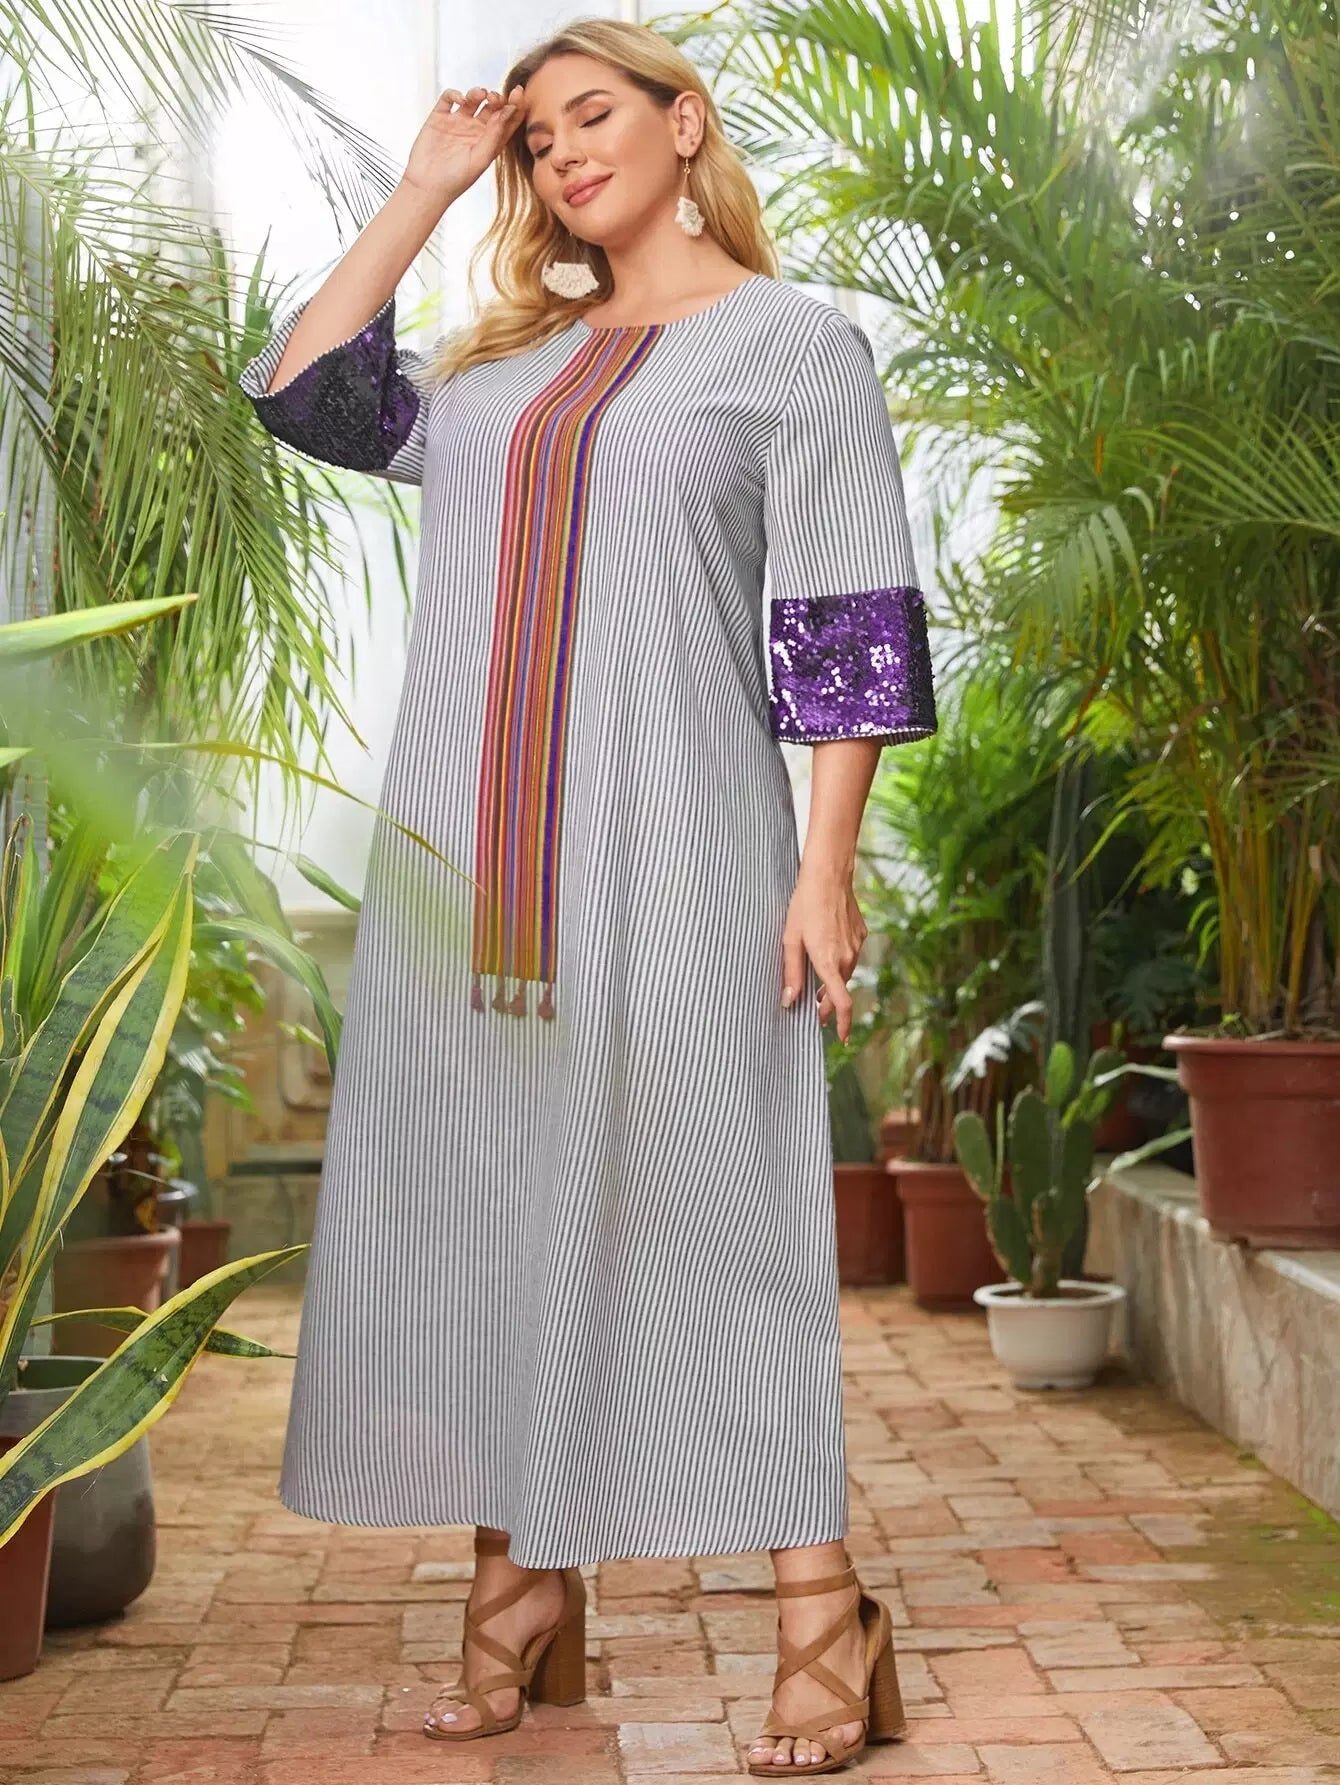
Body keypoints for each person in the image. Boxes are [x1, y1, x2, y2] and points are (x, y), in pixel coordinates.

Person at [237, 16, 935, 1777]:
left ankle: (820, 1609)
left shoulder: (792, 348)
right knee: (491, 1204)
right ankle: (522, 1586)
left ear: (685, 124)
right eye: (538, 137)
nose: (562, 153)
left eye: (593, 114)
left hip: (682, 850)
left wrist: (826, 865)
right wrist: (426, 185)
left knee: (727, 1214)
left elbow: (847, 625)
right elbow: (303, 387)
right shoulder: (499, 369)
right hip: (470, 875)